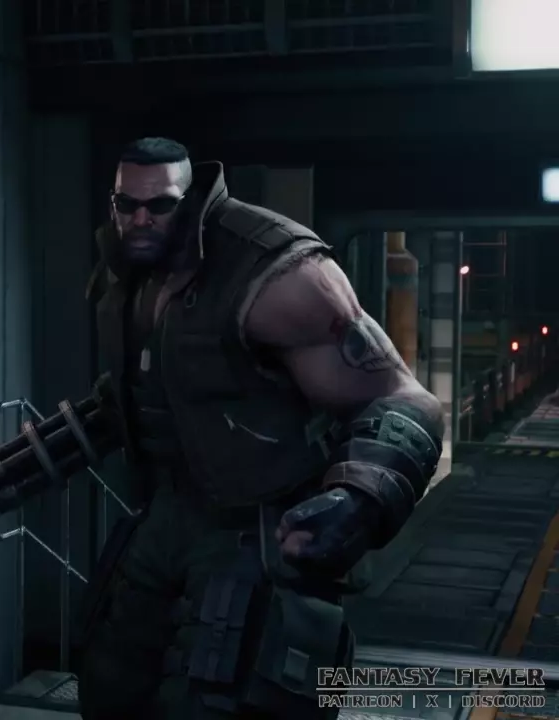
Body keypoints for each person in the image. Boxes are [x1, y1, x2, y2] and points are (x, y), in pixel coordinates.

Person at [76, 138, 444, 719]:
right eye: (128, 204)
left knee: (217, 703)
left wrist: (357, 501)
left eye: (160, 205)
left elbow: (403, 397)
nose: (141, 219)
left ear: (188, 199)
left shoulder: (277, 273)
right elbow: (157, 389)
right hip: (166, 516)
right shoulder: (130, 272)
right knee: (109, 689)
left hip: (259, 528)